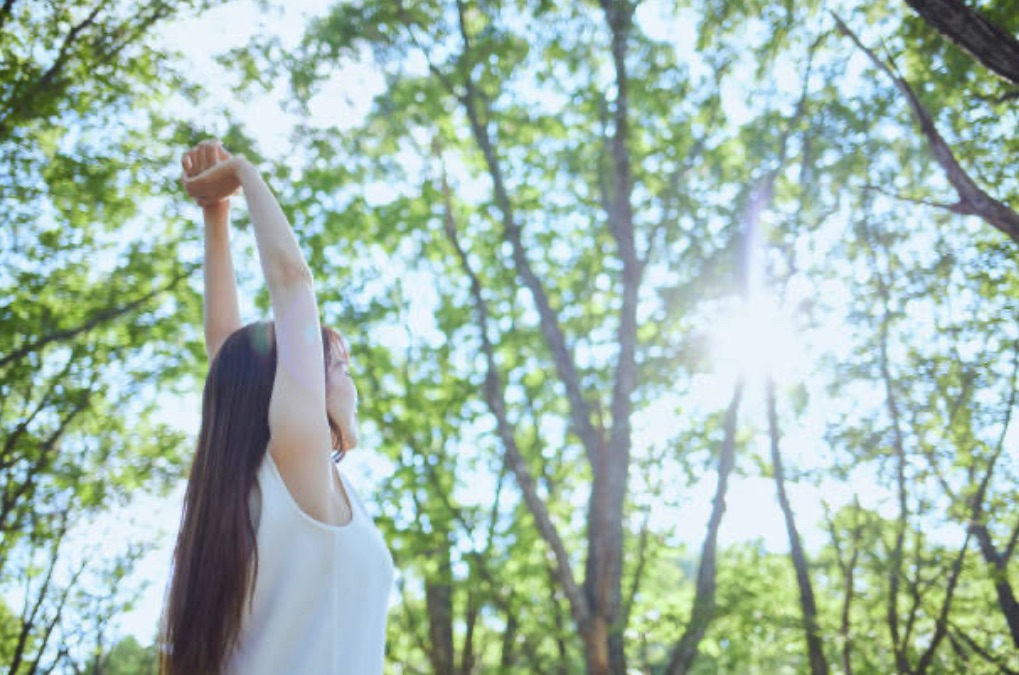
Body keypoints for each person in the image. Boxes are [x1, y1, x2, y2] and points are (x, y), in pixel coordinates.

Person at [160, 140, 394, 675]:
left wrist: (216, 215)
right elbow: (292, 284)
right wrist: (242, 173)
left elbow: (226, 348)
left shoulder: (268, 486)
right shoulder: (298, 465)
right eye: (341, 368)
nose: (352, 383)